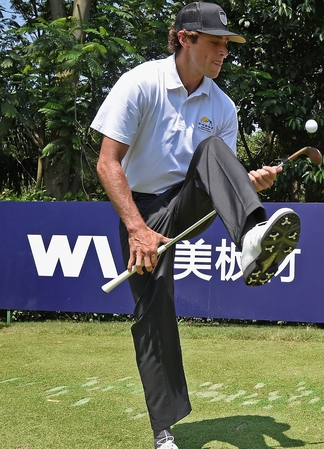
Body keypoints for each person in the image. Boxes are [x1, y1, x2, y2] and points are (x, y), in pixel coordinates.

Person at [92, 3, 300, 448]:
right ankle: (163, 428)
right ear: (185, 38)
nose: (224, 53)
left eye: (227, 46)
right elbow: (107, 163)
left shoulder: (222, 106)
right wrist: (135, 228)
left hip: (188, 203)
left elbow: (216, 171)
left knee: (211, 149)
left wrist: (249, 183)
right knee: (153, 312)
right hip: (140, 210)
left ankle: (252, 238)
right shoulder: (140, 83)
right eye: (215, 43)